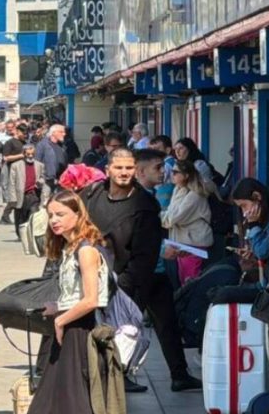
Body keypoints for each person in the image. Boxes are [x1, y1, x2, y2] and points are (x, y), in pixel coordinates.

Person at [13, 191, 132, 414]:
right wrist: (56, 308)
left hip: (82, 336)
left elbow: (91, 299)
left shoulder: (86, 250)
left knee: (80, 409)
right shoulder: (70, 249)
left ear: (78, 215)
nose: (54, 220)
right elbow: (77, 295)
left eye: (60, 215)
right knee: (45, 410)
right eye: (51, 214)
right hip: (68, 331)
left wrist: (63, 319)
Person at [82, 148, 200, 393]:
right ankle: (120, 372)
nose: (163, 172)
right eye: (158, 167)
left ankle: (179, 374)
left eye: (128, 168)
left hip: (150, 274)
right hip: (126, 277)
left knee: (167, 323)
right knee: (124, 326)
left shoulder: (147, 201)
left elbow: (148, 242)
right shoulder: (98, 196)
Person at [161, 160, 214, 285]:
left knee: (190, 280)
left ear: (186, 175)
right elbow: (170, 213)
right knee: (182, 278)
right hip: (181, 242)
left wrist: (154, 216)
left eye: (175, 172)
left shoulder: (195, 195)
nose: (172, 174)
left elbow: (173, 218)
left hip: (193, 243)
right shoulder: (178, 189)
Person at [231, 178, 269, 274]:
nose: (244, 212)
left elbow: (262, 251)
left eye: (244, 205)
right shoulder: (262, 219)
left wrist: (253, 224)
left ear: (257, 197)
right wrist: (252, 253)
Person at [10, 144, 50, 238]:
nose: (30, 156)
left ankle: (31, 234)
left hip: (34, 194)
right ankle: (20, 234)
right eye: (28, 154)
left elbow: (43, 177)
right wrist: (12, 198)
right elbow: (11, 183)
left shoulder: (40, 165)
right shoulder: (15, 165)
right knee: (20, 216)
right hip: (21, 195)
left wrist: (40, 181)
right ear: (24, 154)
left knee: (33, 214)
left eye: (32, 154)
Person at [0, 124, 28, 225]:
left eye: (25, 134)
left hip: (22, 170)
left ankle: (6, 216)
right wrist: (21, 155)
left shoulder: (24, 142)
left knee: (21, 194)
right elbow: (6, 158)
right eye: (23, 133)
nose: (24, 135)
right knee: (14, 195)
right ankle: (5, 215)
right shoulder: (10, 142)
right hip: (11, 170)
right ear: (17, 131)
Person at [35, 124, 68, 192]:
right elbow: (36, 162)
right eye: (61, 132)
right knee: (45, 201)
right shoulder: (42, 145)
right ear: (53, 133)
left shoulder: (62, 146)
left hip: (60, 180)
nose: (64, 134)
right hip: (47, 181)